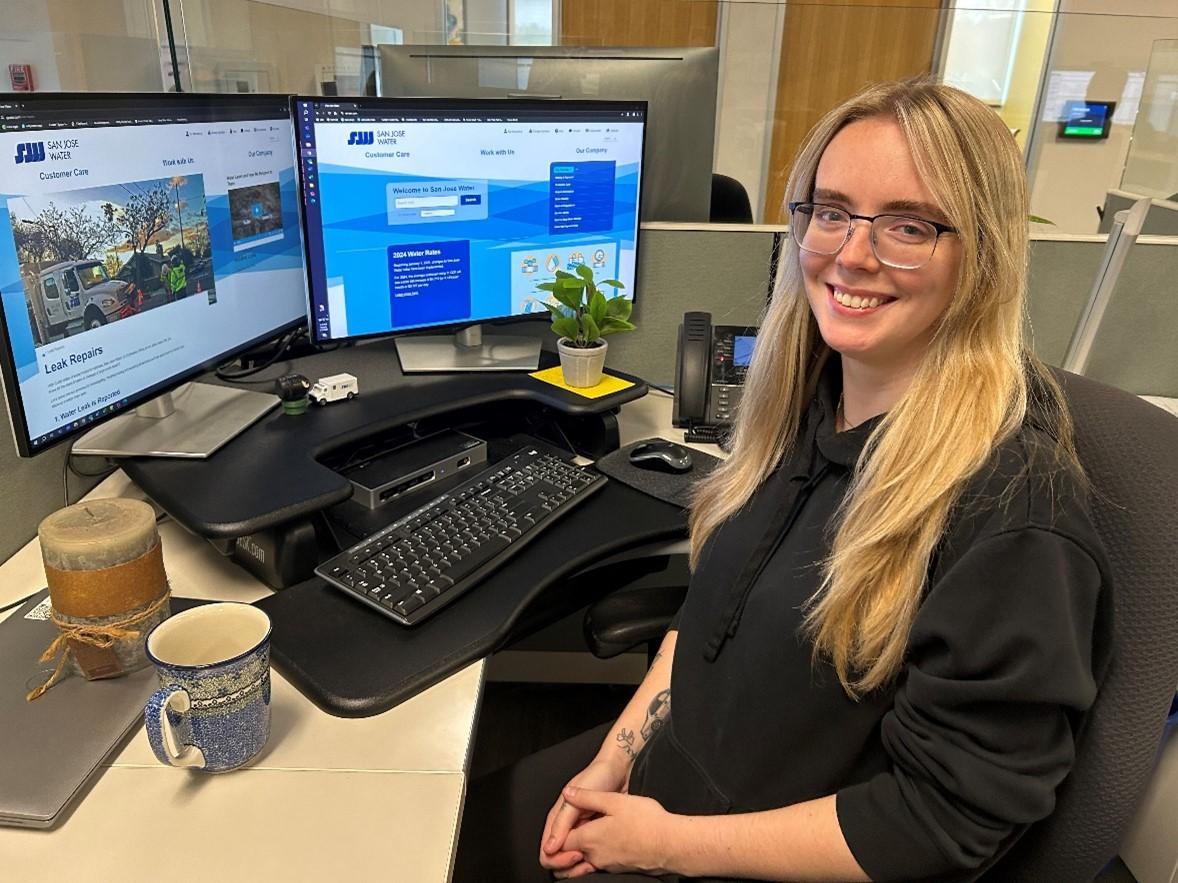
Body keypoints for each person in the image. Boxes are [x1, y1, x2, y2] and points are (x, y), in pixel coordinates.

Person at [453, 78, 1111, 883]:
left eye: (908, 225)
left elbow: (941, 820)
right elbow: (701, 629)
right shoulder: (804, 409)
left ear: (982, 255)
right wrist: (612, 761)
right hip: (668, 792)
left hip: (754, 858)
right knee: (436, 831)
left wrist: (661, 845)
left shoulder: (1013, 510)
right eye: (830, 211)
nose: (851, 253)